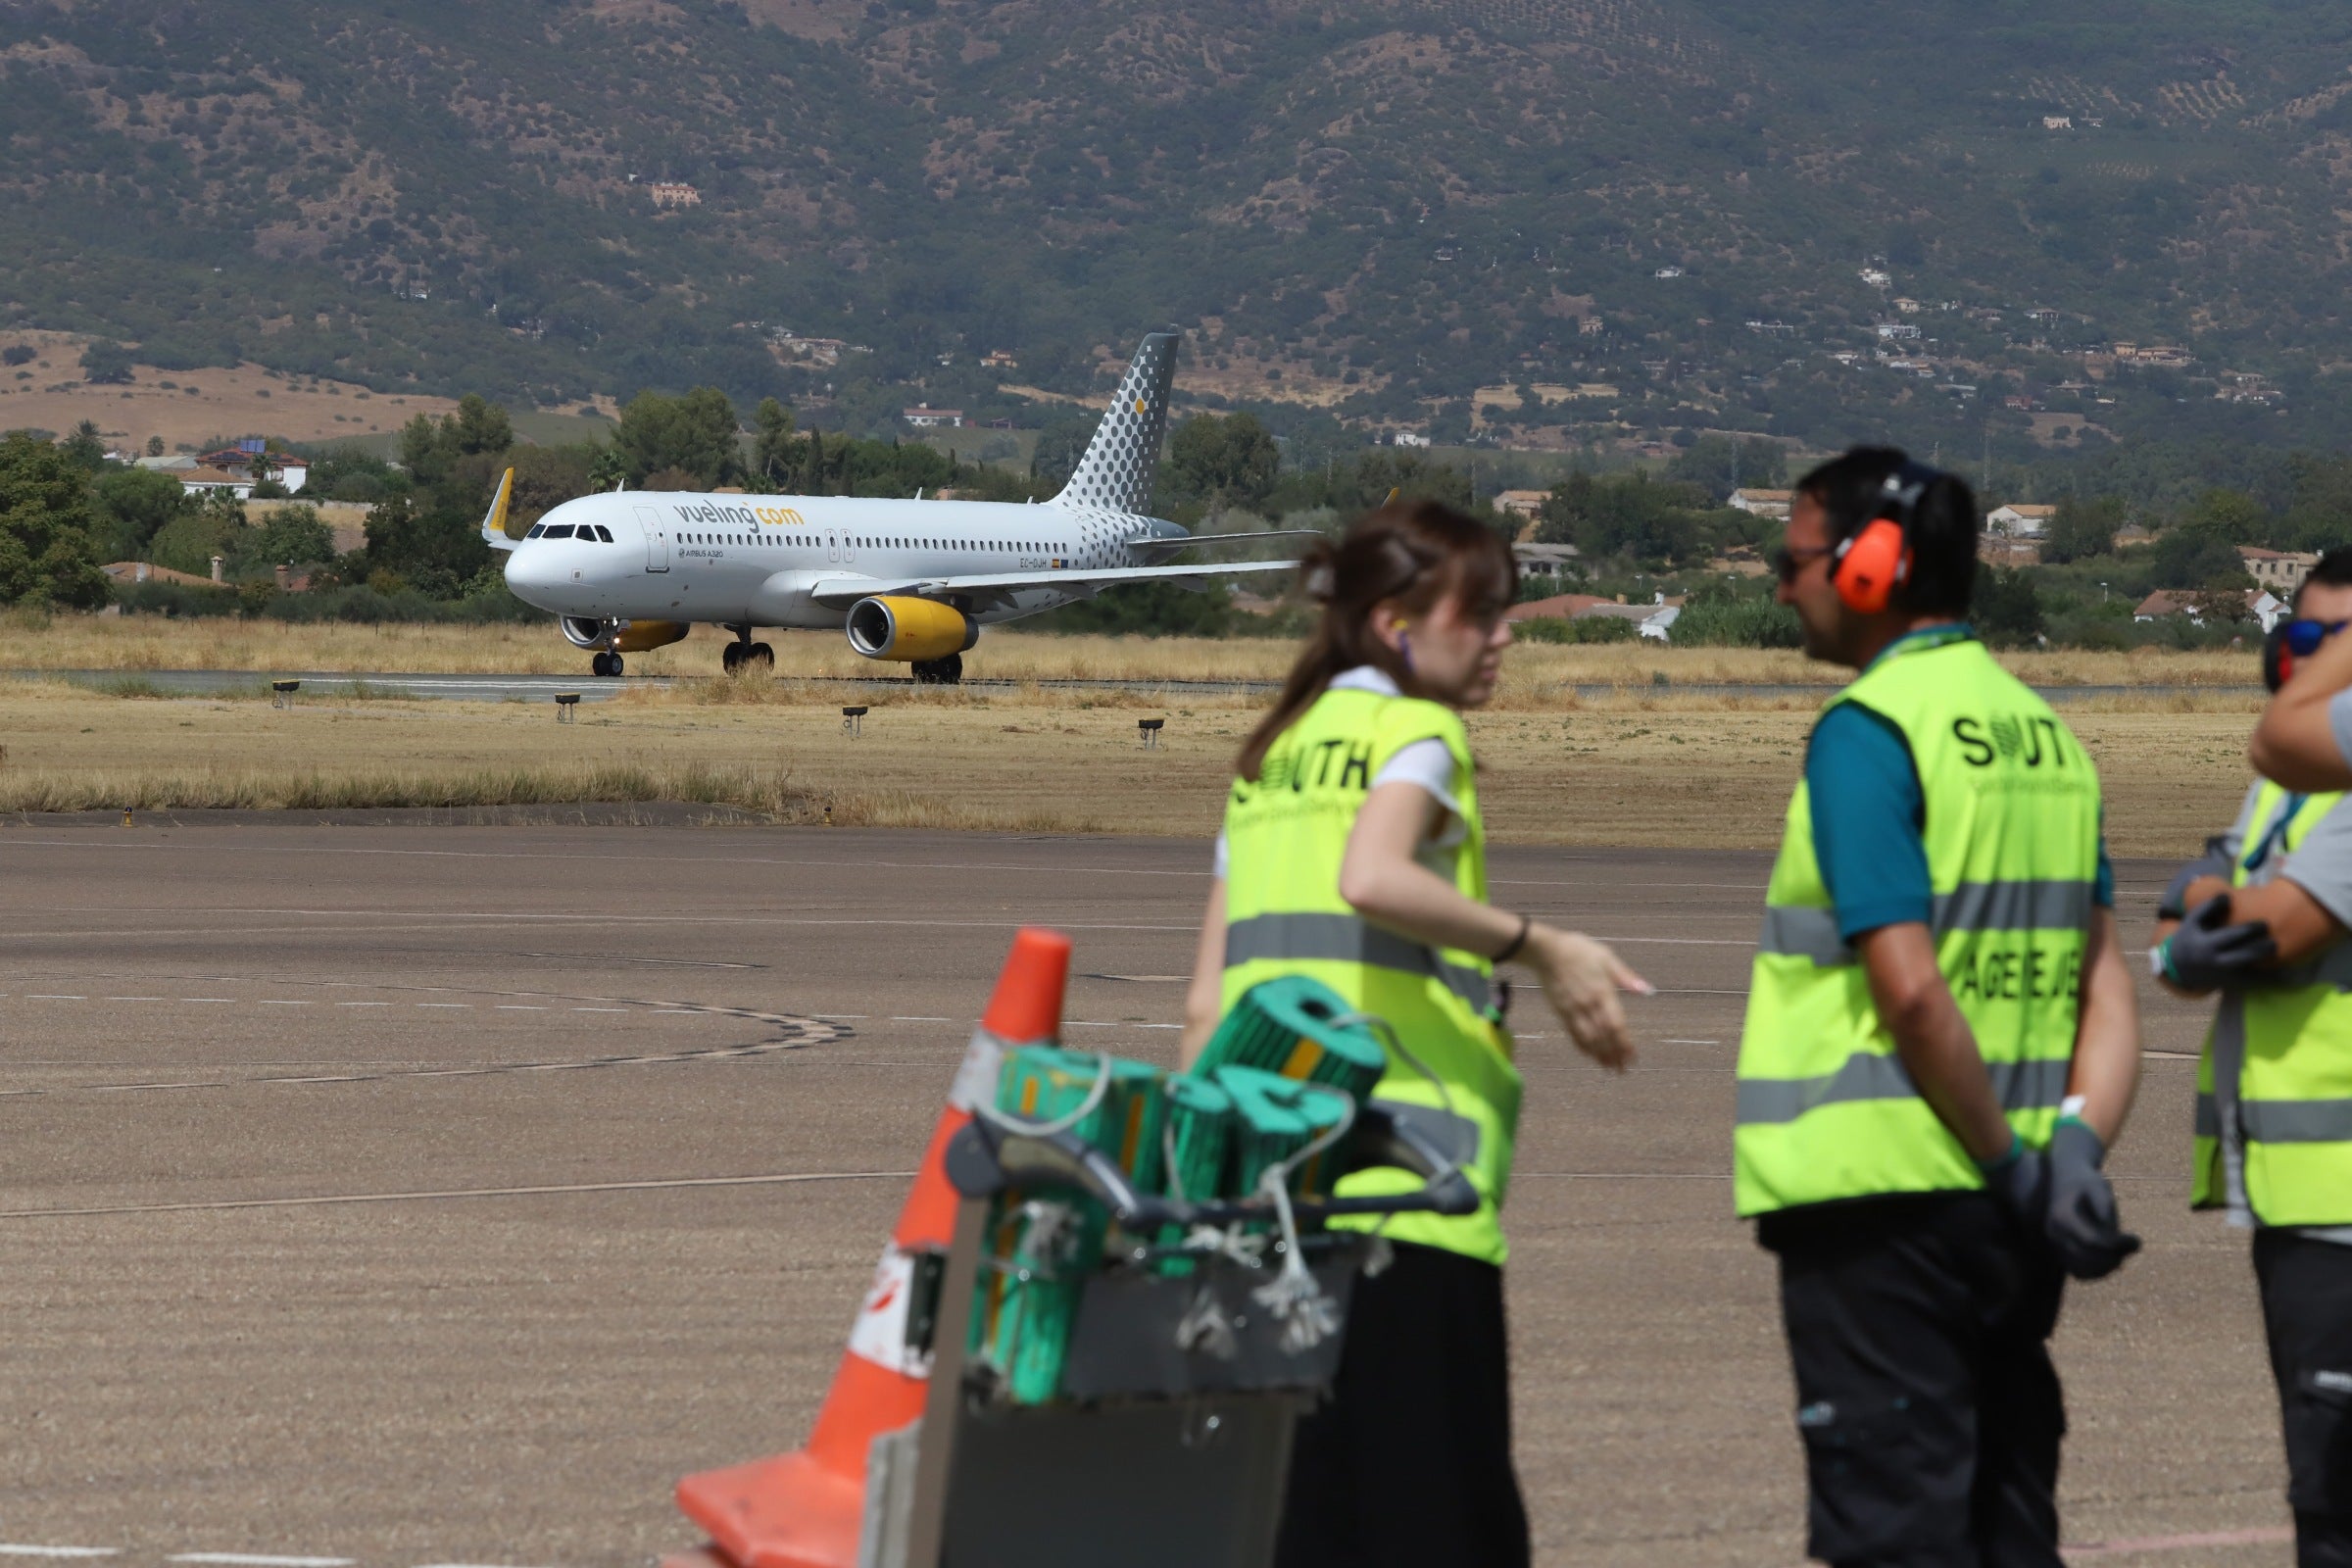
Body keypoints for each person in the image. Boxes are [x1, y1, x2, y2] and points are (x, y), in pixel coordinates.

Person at [1177, 498, 1649, 1568]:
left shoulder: (1272, 757)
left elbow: (1207, 1007)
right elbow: (1373, 876)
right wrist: (1544, 946)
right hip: (1409, 1199)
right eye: (1481, 614)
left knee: (1301, 1530)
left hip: (1271, 1205)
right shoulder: (1418, 732)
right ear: (1397, 623)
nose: (1503, 636)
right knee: (1444, 1527)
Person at [1733, 448, 2143, 1568]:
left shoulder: (1874, 731)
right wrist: (2067, 1151)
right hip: (2013, 1216)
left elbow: (1909, 989)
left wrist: (2004, 1155)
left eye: (1796, 557)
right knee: (2007, 1525)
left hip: (1882, 1200)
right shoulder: (2045, 736)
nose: (1783, 584)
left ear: (1872, 567)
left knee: (1899, 1537)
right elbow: (2107, 988)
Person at [2153, 549, 2352, 1568]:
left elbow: (2266, 926)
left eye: (2333, 642)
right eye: (2297, 641)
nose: (2308, 665)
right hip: (2296, 1195)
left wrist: (2211, 916)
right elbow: (2202, 909)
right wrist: (2204, 920)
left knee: (2335, 1509)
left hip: (2342, 1204)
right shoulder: (2291, 790)